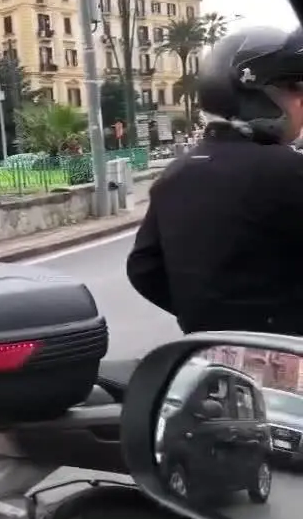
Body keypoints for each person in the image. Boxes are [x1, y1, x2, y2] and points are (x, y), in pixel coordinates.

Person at [127, 25, 303, 336]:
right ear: (254, 92)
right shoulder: (289, 171)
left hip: (205, 355)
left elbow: (143, 267)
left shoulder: (174, 175)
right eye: (294, 86)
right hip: (285, 361)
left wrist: (206, 316)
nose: (302, 100)